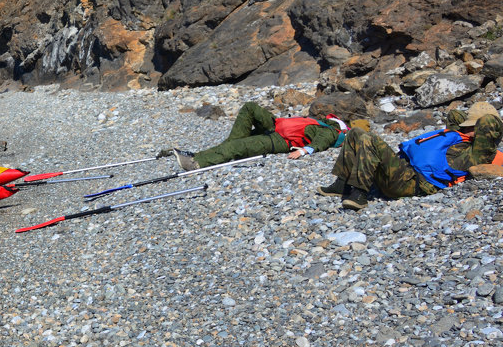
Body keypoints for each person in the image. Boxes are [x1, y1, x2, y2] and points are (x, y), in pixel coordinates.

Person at [319, 101, 503, 210]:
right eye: (468, 125)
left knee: (371, 140)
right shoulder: (457, 137)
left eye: (474, 127)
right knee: (355, 132)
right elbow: (455, 116)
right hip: (402, 169)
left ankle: (359, 194)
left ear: (484, 132)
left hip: (410, 183)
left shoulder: (477, 154)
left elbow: (489, 124)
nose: (467, 128)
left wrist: (486, 124)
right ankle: (341, 184)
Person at [163, 101, 347, 171]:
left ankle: (197, 162)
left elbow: (323, 141)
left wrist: (305, 151)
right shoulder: (322, 123)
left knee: (238, 147)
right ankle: (211, 152)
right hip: (275, 126)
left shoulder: (331, 131)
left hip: (280, 140)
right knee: (250, 107)